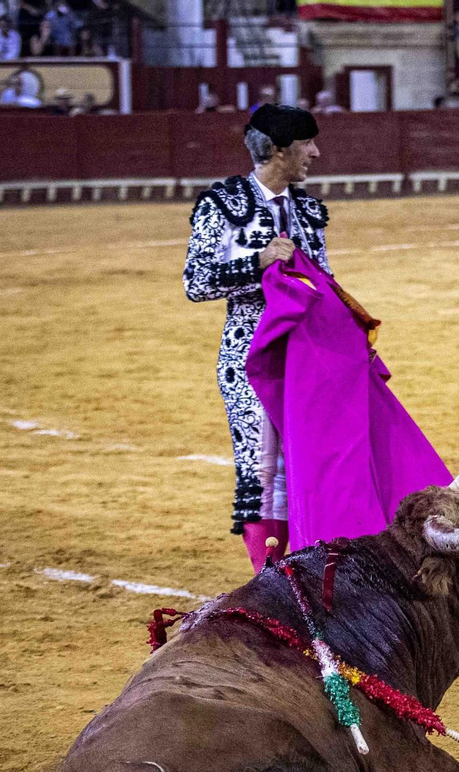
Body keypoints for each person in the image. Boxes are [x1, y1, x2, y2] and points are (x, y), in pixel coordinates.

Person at [183, 104, 329, 571]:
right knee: (263, 472)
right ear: (280, 149)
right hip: (249, 355)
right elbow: (196, 282)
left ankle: (309, 570)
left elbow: (323, 283)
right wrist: (257, 262)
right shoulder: (222, 205)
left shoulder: (308, 211)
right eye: (307, 143)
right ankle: (269, 579)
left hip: (305, 355)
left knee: (312, 463)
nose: (315, 153)